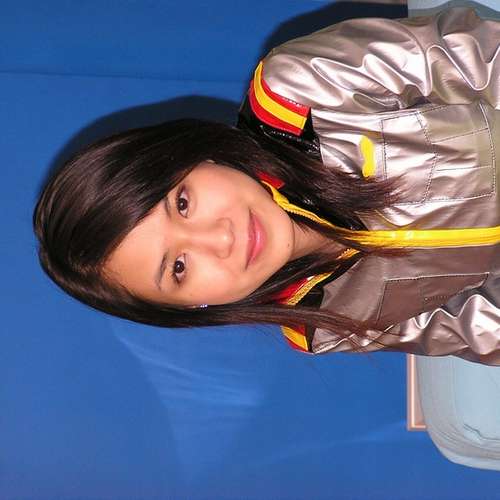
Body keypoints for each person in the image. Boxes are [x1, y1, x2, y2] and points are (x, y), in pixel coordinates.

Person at [34, 7, 500, 365]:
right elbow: (481, 330)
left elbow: (479, 54)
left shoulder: (299, 91)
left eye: (182, 203)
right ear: (195, 306)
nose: (219, 238)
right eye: (178, 267)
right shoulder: (322, 327)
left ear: (196, 157)